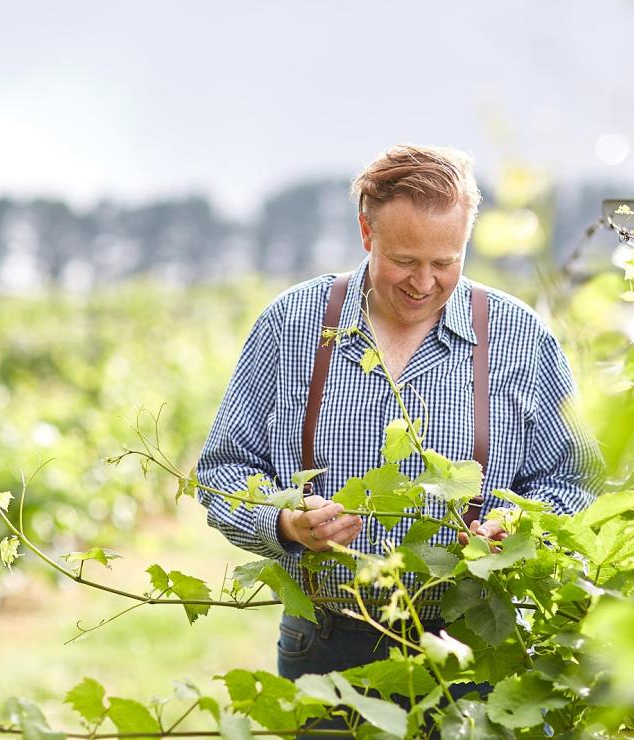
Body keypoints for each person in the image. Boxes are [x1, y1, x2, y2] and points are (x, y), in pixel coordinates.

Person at [196, 144, 604, 683]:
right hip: (327, 641)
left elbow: (576, 480)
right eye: (405, 261)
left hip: (475, 648)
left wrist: (521, 526)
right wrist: (285, 521)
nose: (423, 282)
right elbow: (224, 470)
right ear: (367, 235)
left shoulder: (519, 336)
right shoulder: (292, 325)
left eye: (445, 262)